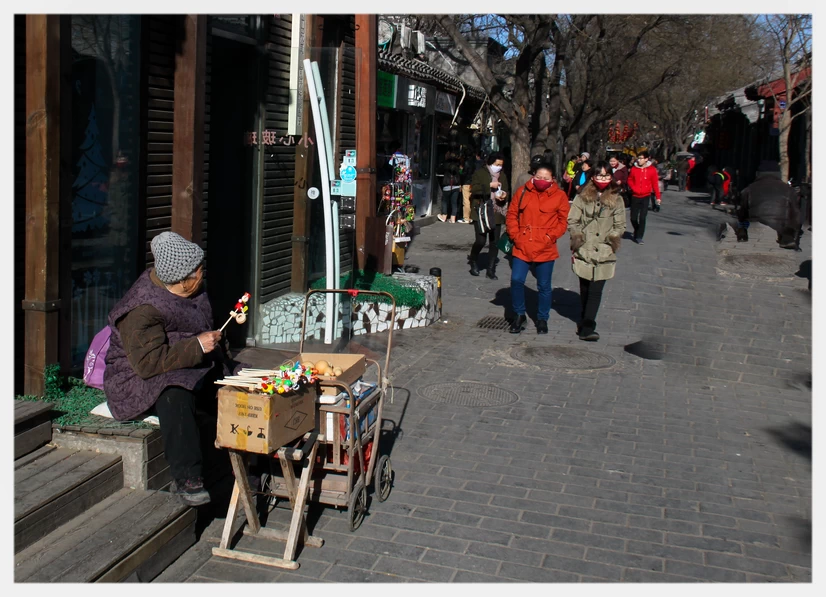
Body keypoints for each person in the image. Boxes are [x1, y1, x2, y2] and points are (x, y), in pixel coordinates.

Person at [104, 232, 243, 506]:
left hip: (184, 361)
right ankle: (187, 479)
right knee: (175, 392)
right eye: (199, 271)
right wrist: (197, 347)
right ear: (182, 280)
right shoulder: (142, 310)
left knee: (233, 382)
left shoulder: (193, 290)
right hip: (135, 376)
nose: (203, 274)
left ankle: (249, 459)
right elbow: (147, 364)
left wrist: (215, 350)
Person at [505, 161, 570, 334]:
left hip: (545, 247)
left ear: (552, 179)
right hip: (522, 244)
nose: (541, 180)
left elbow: (563, 222)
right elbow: (512, 215)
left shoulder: (559, 196)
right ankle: (519, 314)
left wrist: (550, 236)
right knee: (517, 280)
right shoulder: (523, 191)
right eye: (538, 177)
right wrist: (515, 235)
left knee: (544, 285)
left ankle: (542, 318)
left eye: (545, 178)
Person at [568, 162, 626, 341]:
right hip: (584, 248)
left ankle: (588, 326)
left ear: (611, 177)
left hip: (604, 250)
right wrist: (578, 237)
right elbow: (573, 220)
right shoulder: (582, 197)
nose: (603, 179)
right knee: (585, 288)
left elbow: (620, 224)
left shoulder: (617, 198)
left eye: (607, 176)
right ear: (593, 177)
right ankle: (584, 318)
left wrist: (611, 240)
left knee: (596, 289)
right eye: (600, 176)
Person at [735, 160, 802, 250]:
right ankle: (787, 237)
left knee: (741, 216)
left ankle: (743, 234)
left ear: (758, 173)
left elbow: (742, 211)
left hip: (755, 226)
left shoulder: (749, 189)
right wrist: (794, 233)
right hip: (781, 228)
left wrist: (742, 224)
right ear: (778, 173)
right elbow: (797, 215)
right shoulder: (789, 190)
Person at [469, 152, 510, 279]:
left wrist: (504, 195)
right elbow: (474, 189)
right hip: (481, 210)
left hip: (496, 210)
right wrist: (489, 186)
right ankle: (473, 260)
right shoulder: (480, 173)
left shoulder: (502, 175)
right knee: (480, 240)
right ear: (490, 163)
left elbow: (506, 190)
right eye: (497, 164)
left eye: (501, 165)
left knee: (494, 241)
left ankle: (491, 269)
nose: (499, 167)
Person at [626, 150, 660, 245]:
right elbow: (630, 179)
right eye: (638, 158)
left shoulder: (652, 169)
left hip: (646, 196)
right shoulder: (634, 169)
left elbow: (655, 184)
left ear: (646, 159)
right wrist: (633, 188)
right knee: (633, 218)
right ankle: (637, 230)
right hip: (635, 195)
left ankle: (639, 236)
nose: (639, 160)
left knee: (642, 218)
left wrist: (658, 197)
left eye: (641, 158)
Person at [436, 151, 462, 223]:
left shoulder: (445, 164)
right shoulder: (458, 165)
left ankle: (444, 216)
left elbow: (439, 170)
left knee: (445, 201)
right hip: (456, 185)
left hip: (447, 185)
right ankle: (453, 218)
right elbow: (461, 174)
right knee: (454, 202)